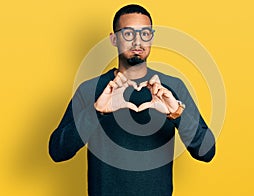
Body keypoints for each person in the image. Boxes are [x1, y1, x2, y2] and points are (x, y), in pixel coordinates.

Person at [49, 4, 216, 196]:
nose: (138, 42)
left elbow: (207, 152)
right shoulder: (90, 89)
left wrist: (177, 114)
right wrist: (96, 112)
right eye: (128, 34)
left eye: (145, 33)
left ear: (151, 37)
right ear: (114, 39)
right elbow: (57, 151)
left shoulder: (172, 87)